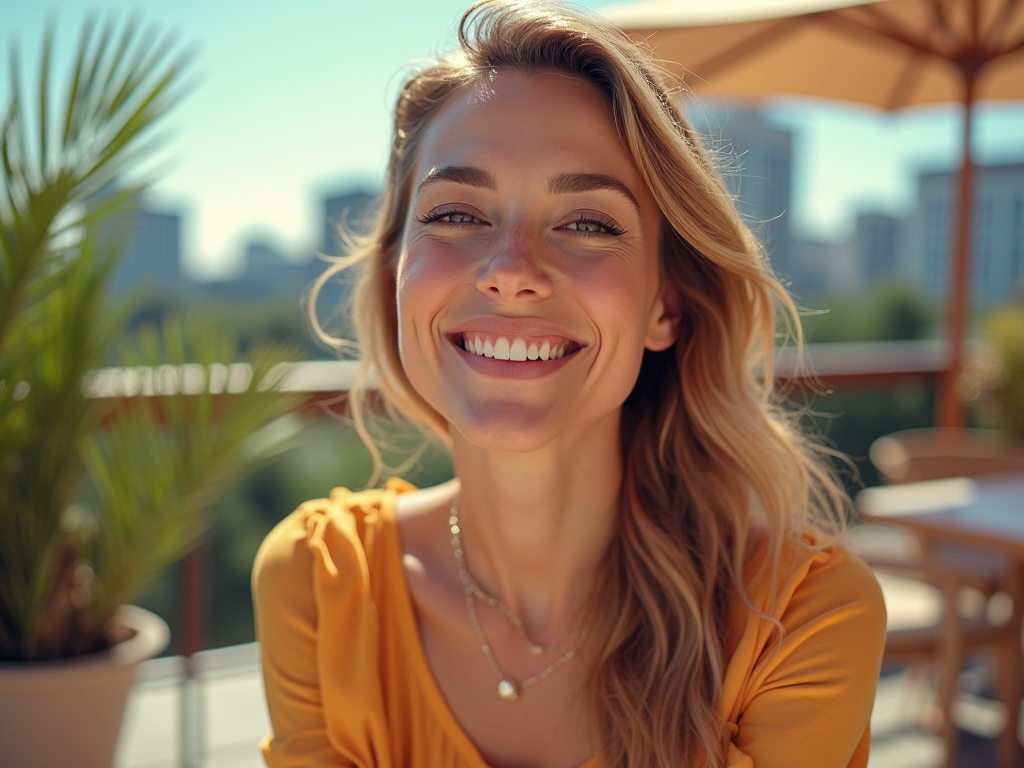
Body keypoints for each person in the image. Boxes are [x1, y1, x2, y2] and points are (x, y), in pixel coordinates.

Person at [251, 1, 887, 766]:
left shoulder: (803, 618)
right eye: (456, 213)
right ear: (396, 276)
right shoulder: (320, 586)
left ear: (666, 307)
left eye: (588, 223)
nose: (513, 270)